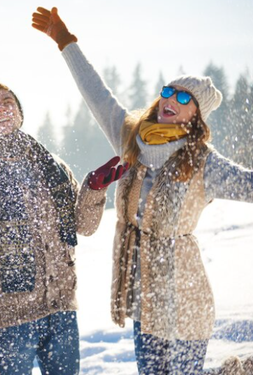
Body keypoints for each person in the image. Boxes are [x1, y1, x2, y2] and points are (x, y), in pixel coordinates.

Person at [32, 7, 253, 374]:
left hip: (186, 300)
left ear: (195, 117)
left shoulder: (202, 161)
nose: (171, 100)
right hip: (143, 299)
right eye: (169, 91)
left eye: (184, 99)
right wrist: (65, 41)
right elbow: (97, 94)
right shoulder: (131, 136)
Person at [0, 80, 127, 375]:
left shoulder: (52, 165)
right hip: (9, 319)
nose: (1, 109)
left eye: (8, 102)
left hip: (61, 309)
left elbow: (83, 227)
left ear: (19, 113)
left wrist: (94, 190)